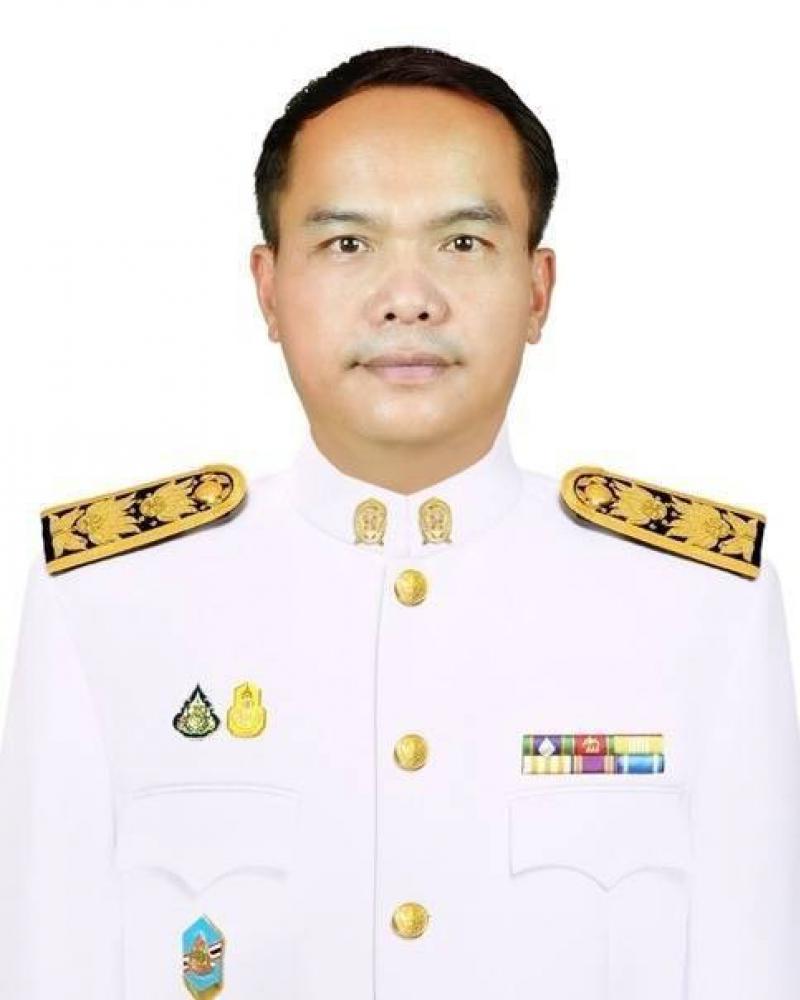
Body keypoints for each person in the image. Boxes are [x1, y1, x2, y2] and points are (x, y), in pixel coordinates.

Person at [1, 43, 798, 1000]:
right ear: (268, 287)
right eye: (348, 244)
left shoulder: (702, 606)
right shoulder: (107, 602)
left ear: (538, 289)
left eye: (463, 242)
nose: (408, 299)